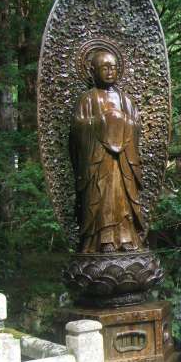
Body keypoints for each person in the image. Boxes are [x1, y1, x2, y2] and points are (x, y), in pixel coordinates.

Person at [71, 49, 144, 253]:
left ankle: (127, 238)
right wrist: (104, 122)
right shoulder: (87, 99)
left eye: (113, 67)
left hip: (123, 163)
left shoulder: (125, 100)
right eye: (105, 68)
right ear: (93, 71)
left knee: (123, 201)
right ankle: (103, 240)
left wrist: (122, 122)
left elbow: (136, 126)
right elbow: (78, 128)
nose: (110, 72)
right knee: (101, 198)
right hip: (98, 161)